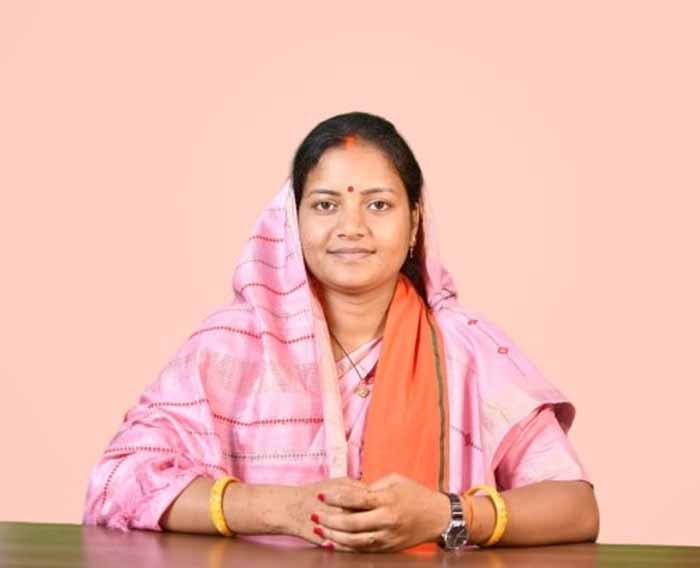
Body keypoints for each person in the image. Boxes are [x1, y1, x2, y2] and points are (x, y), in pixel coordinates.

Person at [82, 111, 599, 553]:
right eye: (326, 205)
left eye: (378, 205)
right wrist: (282, 509)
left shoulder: (467, 349)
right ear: (293, 221)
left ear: (414, 221)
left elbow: (575, 506)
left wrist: (448, 515)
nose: (351, 227)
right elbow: (117, 483)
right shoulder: (229, 347)